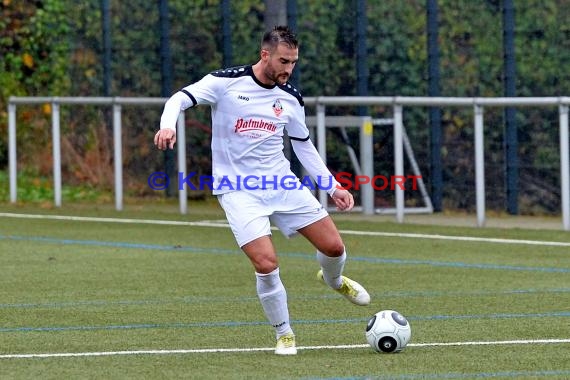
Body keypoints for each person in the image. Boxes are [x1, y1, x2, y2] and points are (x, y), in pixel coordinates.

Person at [154, 25, 370, 355]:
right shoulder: (226, 83)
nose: (289, 69)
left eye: (294, 62)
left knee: (334, 248)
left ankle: (334, 280)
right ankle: (284, 334)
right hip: (238, 191)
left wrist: (332, 186)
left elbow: (303, 146)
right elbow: (179, 99)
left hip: (281, 184)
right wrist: (167, 124)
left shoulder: (290, 98)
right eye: (284, 61)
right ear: (265, 54)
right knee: (266, 264)